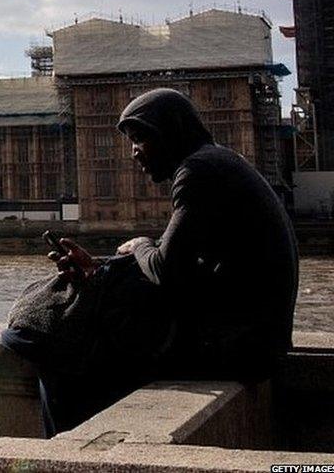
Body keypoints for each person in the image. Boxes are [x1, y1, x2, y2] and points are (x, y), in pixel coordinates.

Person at [53, 88, 299, 380]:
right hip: (257, 341)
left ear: (168, 132)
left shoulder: (197, 171)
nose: (133, 152)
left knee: (65, 344)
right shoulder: (219, 161)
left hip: (239, 348)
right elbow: (181, 264)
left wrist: (139, 244)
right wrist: (99, 267)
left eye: (138, 138)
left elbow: (164, 269)